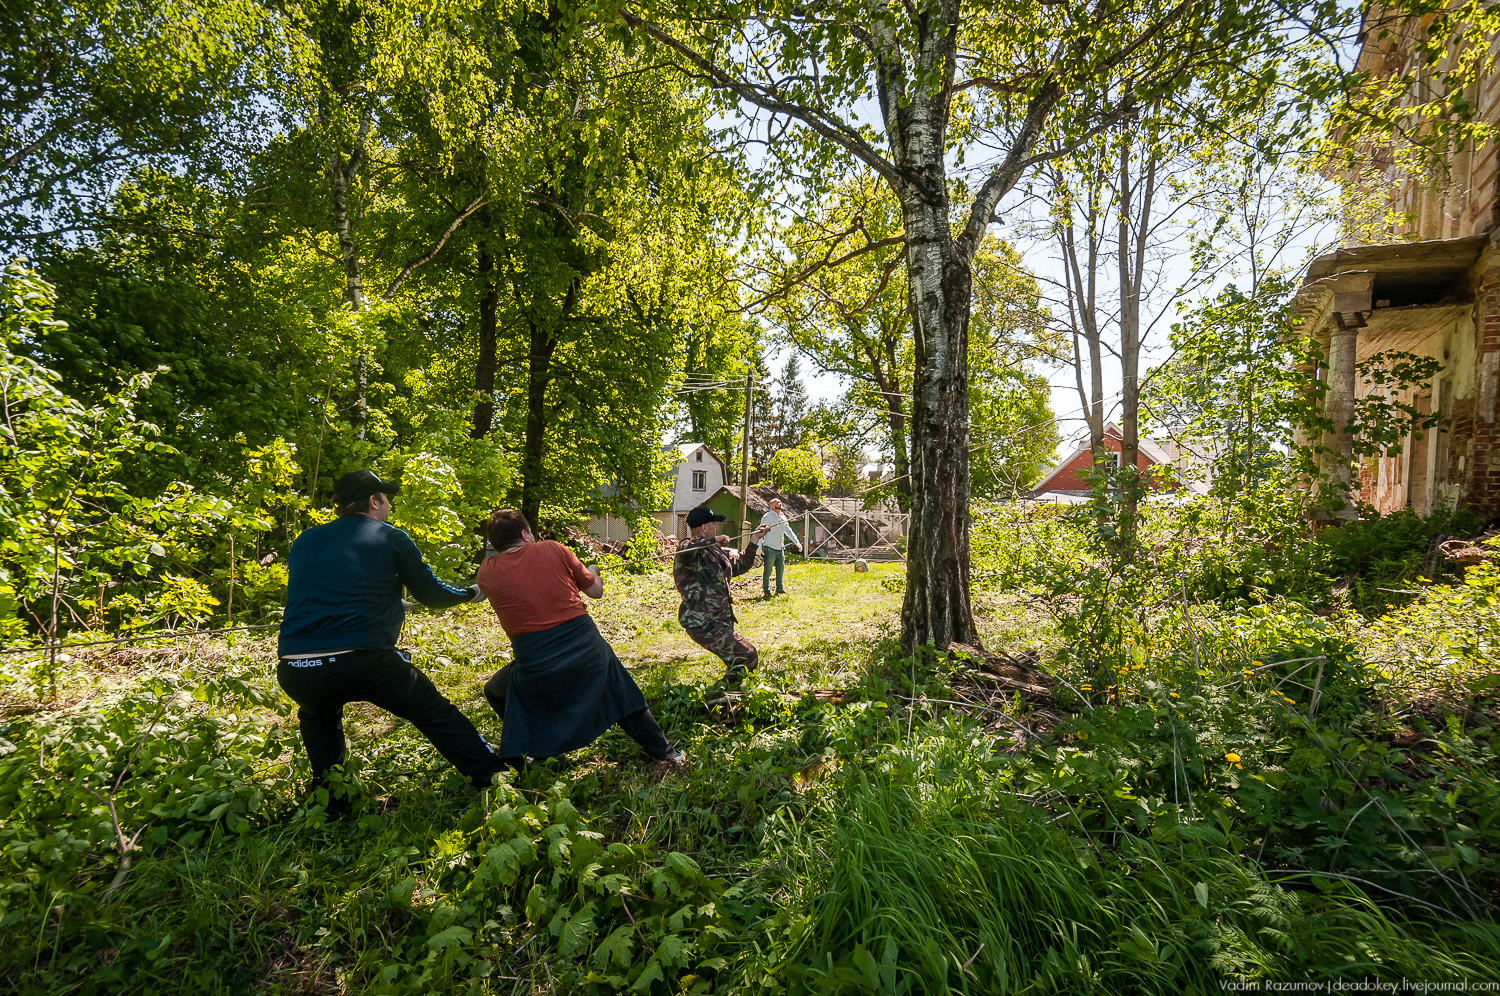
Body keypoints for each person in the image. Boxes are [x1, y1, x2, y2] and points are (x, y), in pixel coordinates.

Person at [277, 470, 506, 801]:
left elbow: (327, 589)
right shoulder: (389, 536)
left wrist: (385, 597)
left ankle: (330, 802)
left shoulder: (305, 540)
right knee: (433, 711)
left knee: (318, 718)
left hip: (297, 669)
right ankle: (495, 777)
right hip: (363, 662)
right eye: (386, 500)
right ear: (374, 501)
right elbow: (432, 595)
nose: (389, 507)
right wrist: (471, 593)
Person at [476, 509, 684, 769]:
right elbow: (595, 591)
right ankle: (668, 755)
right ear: (524, 534)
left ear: (495, 544)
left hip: (537, 668)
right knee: (623, 696)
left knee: (495, 691)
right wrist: (593, 572)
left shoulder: (487, 571)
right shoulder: (553, 548)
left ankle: (539, 754)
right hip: (587, 652)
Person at [673, 505, 770, 683]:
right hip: (702, 621)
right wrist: (715, 540)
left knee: (738, 661)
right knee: (746, 656)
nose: (716, 527)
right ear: (704, 527)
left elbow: (739, 565)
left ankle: (728, 699)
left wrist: (754, 539)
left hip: (720, 620)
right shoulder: (688, 550)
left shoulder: (714, 551)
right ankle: (718, 696)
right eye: (714, 524)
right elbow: (685, 547)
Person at [757, 497, 802, 598]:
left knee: (780, 569)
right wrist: (759, 548)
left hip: (780, 548)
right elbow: (761, 532)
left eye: (780, 502)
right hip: (769, 547)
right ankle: (766, 590)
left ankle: (779, 588)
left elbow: (788, 530)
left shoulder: (782, 516)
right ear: (772, 506)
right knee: (768, 571)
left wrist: (796, 542)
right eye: (778, 502)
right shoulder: (767, 517)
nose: (780, 503)